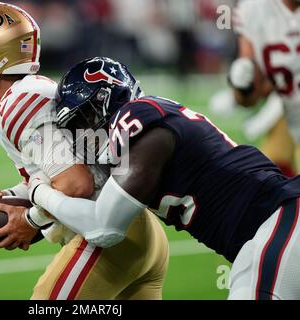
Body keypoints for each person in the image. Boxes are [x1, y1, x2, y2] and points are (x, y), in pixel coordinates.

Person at [19, 56, 300, 300]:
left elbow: (104, 227)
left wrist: (39, 193)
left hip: (278, 220)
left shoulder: (135, 117)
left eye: (82, 121)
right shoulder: (145, 123)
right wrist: (30, 210)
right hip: (266, 231)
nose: (82, 135)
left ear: (105, 100)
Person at [0, 3, 168, 299]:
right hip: (138, 233)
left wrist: (29, 220)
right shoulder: (32, 91)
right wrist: (16, 195)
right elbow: (66, 170)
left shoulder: (19, 101)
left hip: (109, 238)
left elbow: (76, 185)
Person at [229, 0, 300, 176]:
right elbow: (250, 97)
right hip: (291, 114)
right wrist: (242, 84)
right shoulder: (254, 10)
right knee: (270, 168)